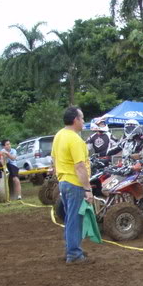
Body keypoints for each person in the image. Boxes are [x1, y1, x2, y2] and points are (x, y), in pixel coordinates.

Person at [51, 106, 93, 265]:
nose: (83, 121)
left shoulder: (59, 135)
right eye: (82, 118)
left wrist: (59, 177)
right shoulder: (75, 140)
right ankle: (74, 254)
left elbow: (54, 160)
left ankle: (72, 249)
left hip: (64, 182)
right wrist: (87, 188)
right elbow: (80, 167)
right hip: (75, 184)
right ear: (75, 120)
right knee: (75, 219)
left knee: (70, 219)